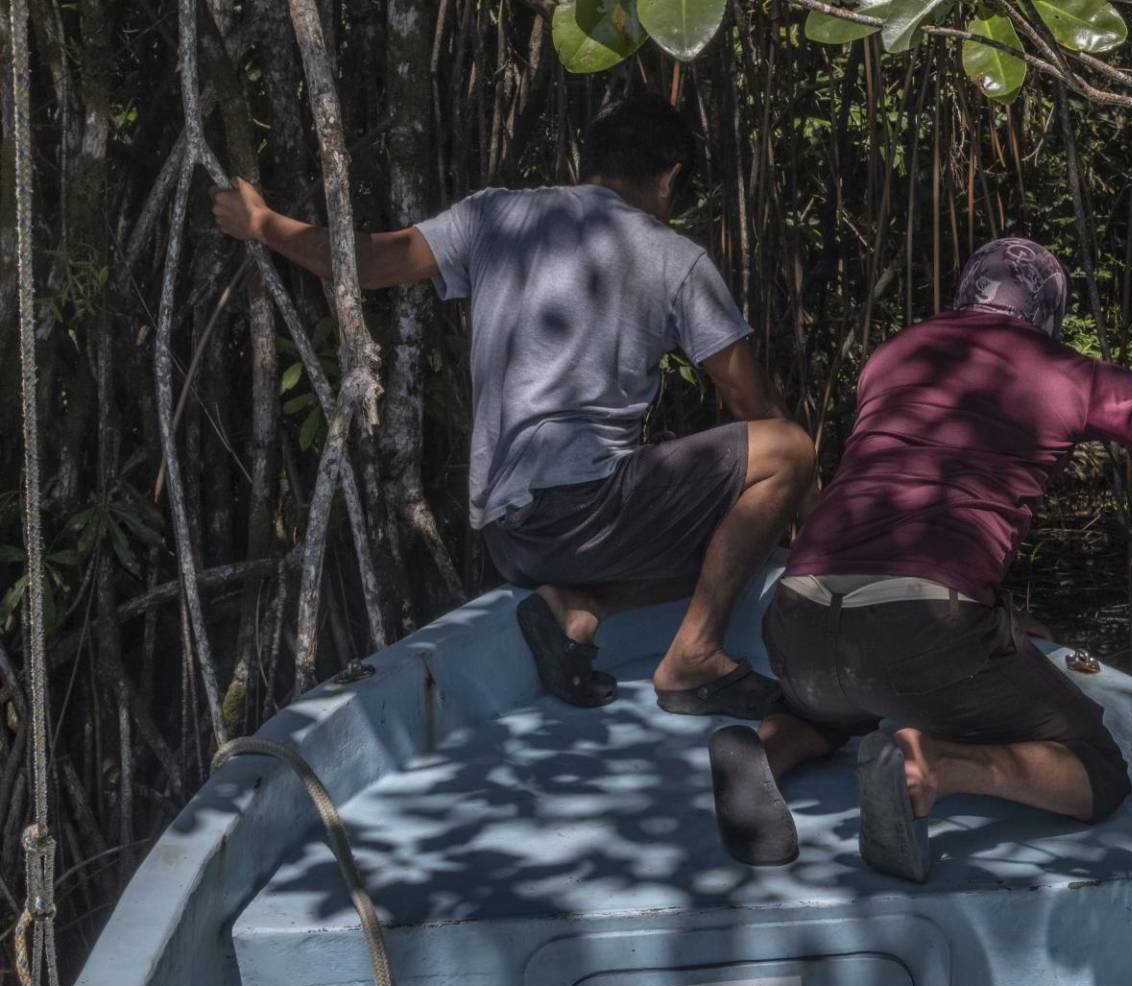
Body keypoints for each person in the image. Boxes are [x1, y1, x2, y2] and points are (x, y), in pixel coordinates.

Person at [704, 237, 1132, 880]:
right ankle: (933, 764)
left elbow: (905, 492)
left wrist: (993, 610)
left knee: (832, 705)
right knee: (1098, 771)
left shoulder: (895, 353)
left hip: (799, 619)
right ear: (1049, 313)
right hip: (918, 631)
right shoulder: (1066, 375)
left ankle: (768, 748)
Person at [212, 93, 813, 719]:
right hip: (586, 515)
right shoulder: (675, 257)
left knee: (729, 546)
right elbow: (752, 403)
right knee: (788, 450)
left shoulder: (495, 214)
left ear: (589, 160)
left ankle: (577, 608)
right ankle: (694, 655)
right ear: (669, 178)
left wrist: (262, 223)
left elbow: (367, 261)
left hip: (510, 534)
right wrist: (817, 514)